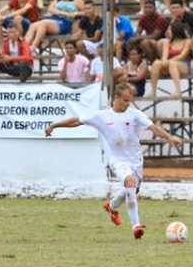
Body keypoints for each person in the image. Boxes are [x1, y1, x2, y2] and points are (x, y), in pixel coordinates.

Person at [45, 82, 182, 240]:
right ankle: (136, 225)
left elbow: (153, 128)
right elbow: (77, 121)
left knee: (133, 189)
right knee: (130, 183)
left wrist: (170, 137)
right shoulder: (102, 117)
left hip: (136, 159)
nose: (128, 104)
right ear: (115, 98)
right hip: (117, 160)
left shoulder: (135, 114)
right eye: (125, 100)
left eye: (129, 100)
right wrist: (54, 126)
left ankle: (111, 206)